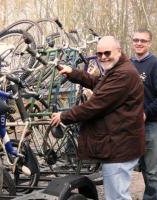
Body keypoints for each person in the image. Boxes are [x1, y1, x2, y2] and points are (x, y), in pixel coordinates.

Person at [51, 36, 145, 200]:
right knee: (116, 194)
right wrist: (73, 73)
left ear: (118, 51)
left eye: (107, 53)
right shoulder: (118, 69)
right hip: (119, 144)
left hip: (120, 146)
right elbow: (99, 83)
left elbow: (95, 105)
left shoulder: (123, 74)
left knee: (117, 197)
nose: (103, 57)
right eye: (99, 54)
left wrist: (64, 116)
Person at [131, 29, 157, 200]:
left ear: (149, 43)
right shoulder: (128, 64)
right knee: (136, 166)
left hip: (151, 125)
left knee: (152, 170)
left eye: (143, 40)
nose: (139, 43)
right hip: (129, 125)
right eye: (136, 40)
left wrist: (146, 113)